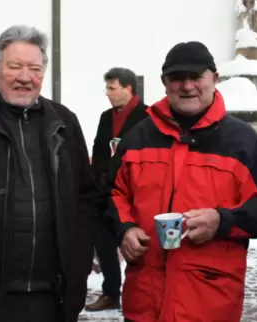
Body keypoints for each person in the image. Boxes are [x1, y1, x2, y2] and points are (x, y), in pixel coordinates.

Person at [106, 41, 257, 322]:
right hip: (144, 303)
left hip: (210, 306)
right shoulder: (138, 137)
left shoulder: (243, 143)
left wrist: (222, 221)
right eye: (178, 78)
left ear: (214, 79)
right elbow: (112, 192)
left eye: (196, 77)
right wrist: (125, 229)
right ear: (165, 83)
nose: (187, 85)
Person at [0, 25, 97, 322]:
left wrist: (78, 269)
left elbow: (85, 197)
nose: (25, 78)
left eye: (34, 68)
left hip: (52, 297)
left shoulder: (64, 122)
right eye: (15, 67)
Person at [86, 67, 148, 311]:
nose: (108, 94)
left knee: (136, 245)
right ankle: (111, 292)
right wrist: (99, 178)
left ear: (128, 88)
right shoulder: (105, 117)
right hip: (104, 190)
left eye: (112, 88)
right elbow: (99, 150)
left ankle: (141, 294)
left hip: (133, 191)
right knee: (102, 240)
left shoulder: (147, 117)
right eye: (107, 88)